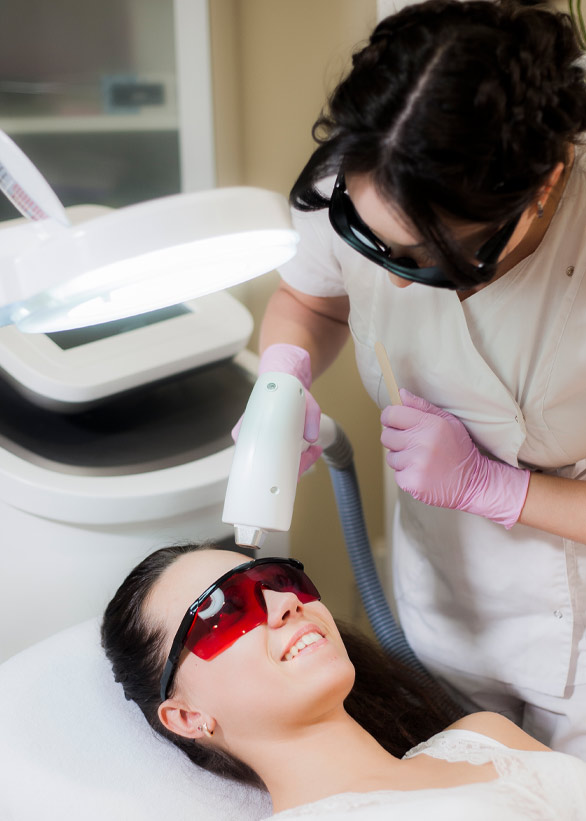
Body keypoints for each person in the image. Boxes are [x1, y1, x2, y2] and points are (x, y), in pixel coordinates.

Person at [254, 0, 586, 757]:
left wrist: (497, 489)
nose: (393, 286)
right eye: (369, 242)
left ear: (543, 187)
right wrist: (283, 374)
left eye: (425, 259)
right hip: (443, 594)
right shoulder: (373, 160)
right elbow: (311, 299)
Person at [101, 542, 586, 818]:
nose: (284, 603)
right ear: (187, 716)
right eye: (225, 612)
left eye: (278, 580)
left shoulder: (484, 736)